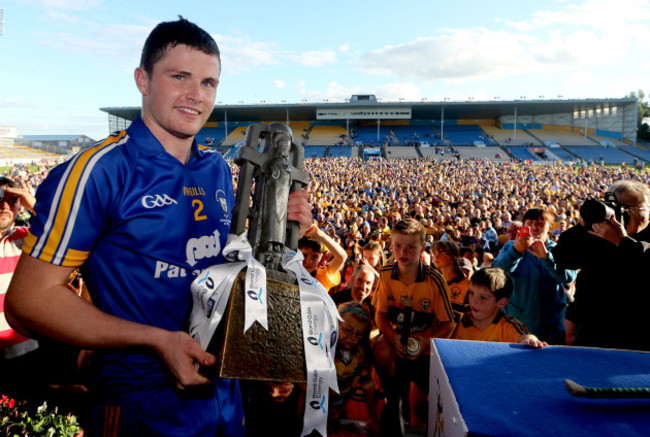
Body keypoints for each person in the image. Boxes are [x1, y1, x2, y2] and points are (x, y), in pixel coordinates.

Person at [5, 18, 312, 436]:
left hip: (225, 401)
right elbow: (28, 302)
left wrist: (283, 233)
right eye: (179, 77)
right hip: (140, 405)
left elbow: (225, 279)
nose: (196, 96)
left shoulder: (218, 170)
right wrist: (156, 340)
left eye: (208, 83)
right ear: (143, 80)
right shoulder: (98, 172)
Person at [372, 218, 455, 436]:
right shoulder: (387, 272)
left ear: (422, 247)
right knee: (380, 347)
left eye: (410, 246)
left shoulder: (434, 279)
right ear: (390, 245)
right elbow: (379, 314)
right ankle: (393, 398)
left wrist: (424, 341)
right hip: (398, 339)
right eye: (397, 245)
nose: (403, 252)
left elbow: (448, 324)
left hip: (425, 345)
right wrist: (391, 336)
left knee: (428, 397)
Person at [554, 180, 650, 350]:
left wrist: (621, 241)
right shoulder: (599, 231)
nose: (621, 214)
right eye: (616, 207)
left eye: (629, 209)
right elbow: (564, 259)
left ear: (648, 211)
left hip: (639, 333)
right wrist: (583, 225)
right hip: (593, 330)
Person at [492, 207, 577, 345]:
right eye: (530, 223)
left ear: (549, 228)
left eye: (540, 224)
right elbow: (496, 273)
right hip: (517, 325)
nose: (534, 228)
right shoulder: (510, 246)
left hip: (551, 327)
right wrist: (516, 251)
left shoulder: (558, 249)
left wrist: (546, 258)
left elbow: (568, 277)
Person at [451, 267, 546, 347]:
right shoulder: (457, 319)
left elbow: (524, 336)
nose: (473, 301)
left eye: (483, 298)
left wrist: (532, 341)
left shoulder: (507, 326)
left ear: (501, 302)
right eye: (471, 293)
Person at [329, 302, 379, 437]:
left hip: (335, 416)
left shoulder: (360, 356)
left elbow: (367, 385)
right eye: (347, 331)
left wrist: (373, 418)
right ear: (335, 324)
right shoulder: (323, 351)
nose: (352, 339)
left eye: (359, 335)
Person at [298, 223, 347, 292]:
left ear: (321, 256)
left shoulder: (322, 275)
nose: (309, 261)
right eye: (304, 255)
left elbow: (341, 257)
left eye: (315, 257)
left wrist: (317, 233)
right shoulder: (290, 267)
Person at [430, 240, 469, 323]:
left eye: (441, 253)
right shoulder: (433, 283)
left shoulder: (467, 286)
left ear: (454, 257)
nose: (436, 257)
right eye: (434, 253)